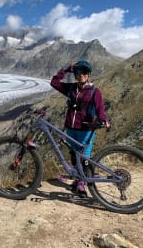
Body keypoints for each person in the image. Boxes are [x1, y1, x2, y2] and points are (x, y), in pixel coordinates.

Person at [50, 60, 110, 197]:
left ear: (88, 75)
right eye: (78, 72)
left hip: (85, 130)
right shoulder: (71, 88)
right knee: (73, 156)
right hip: (70, 128)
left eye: (84, 72)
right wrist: (66, 69)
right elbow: (54, 83)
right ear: (75, 74)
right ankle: (78, 180)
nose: (81, 75)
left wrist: (103, 120)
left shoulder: (95, 92)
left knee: (83, 157)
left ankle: (82, 184)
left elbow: (100, 109)